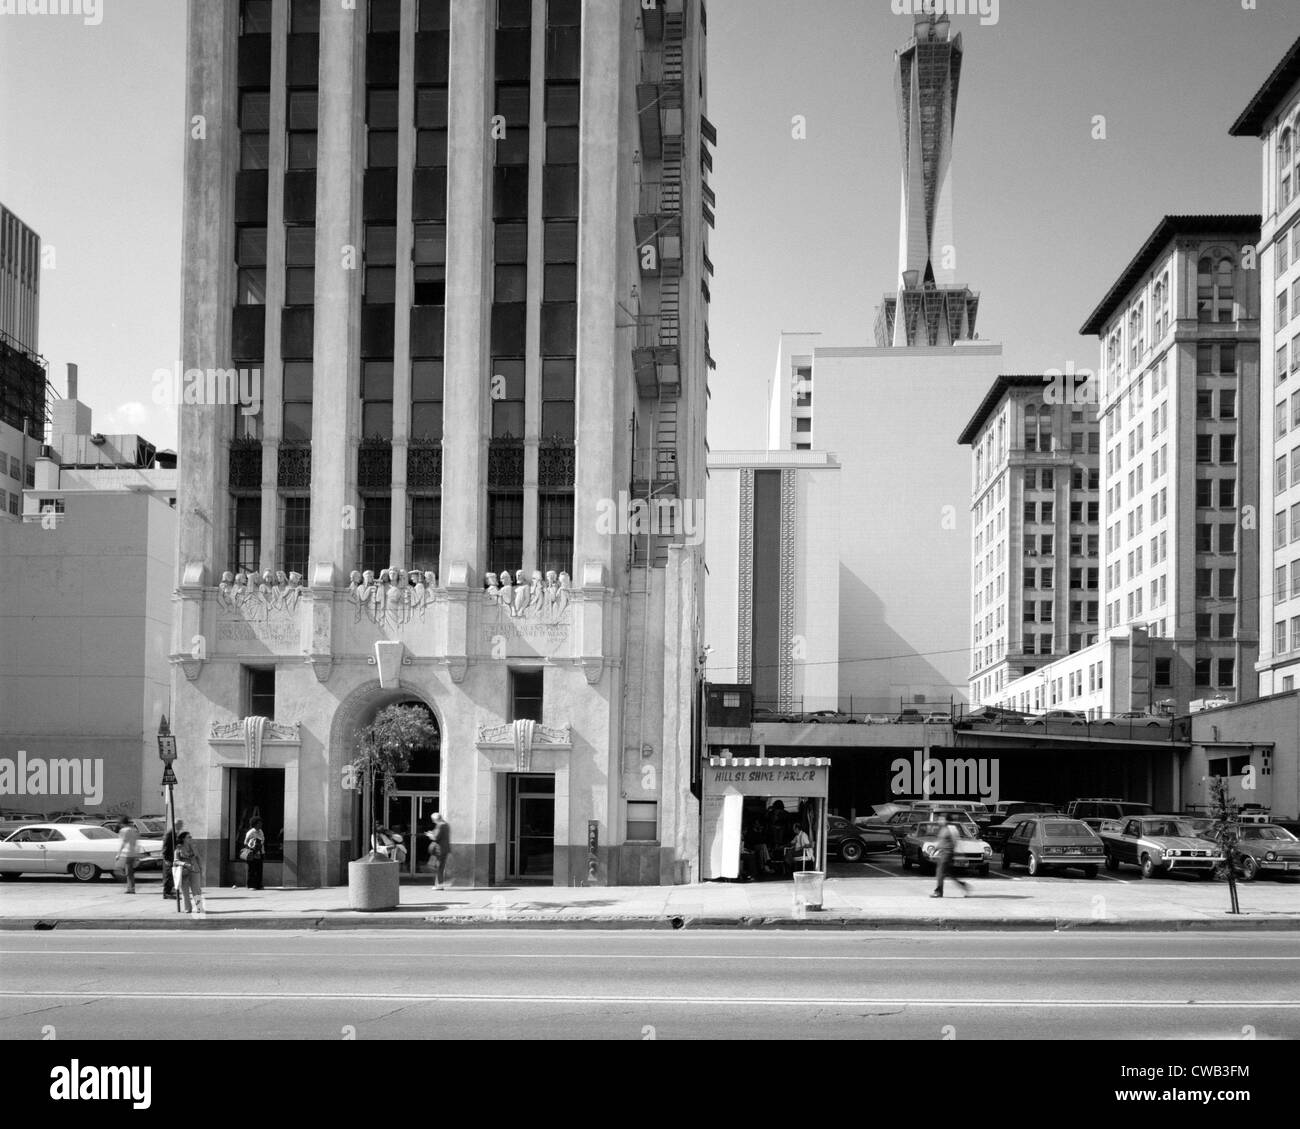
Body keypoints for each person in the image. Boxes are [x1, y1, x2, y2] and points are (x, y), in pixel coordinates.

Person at [931, 813, 970, 898]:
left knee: (940, 872)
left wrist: (956, 852)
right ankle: (963, 885)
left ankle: (938, 891)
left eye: (941, 819)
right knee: (947, 873)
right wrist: (935, 850)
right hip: (943, 853)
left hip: (948, 853)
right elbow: (941, 841)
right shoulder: (942, 829)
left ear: (946, 820)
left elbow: (956, 841)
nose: (939, 821)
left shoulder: (951, 829)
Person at [174, 831, 205, 916]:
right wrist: (184, 864)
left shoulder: (194, 847)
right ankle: (188, 908)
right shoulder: (178, 848)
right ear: (183, 839)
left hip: (195, 870)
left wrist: (201, 869)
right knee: (185, 891)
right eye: (189, 837)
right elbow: (176, 861)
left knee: (197, 890)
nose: (191, 838)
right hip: (184, 871)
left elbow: (198, 858)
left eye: (191, 837)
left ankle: (199, 907)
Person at [115, 819, 141, 894]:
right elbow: (137, 842)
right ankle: (130, 888)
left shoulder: (124, 830)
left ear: (122, 823)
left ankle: (131, 889)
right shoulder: (134, 830)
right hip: (133, 852)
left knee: (128, 872)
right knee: (129, 872)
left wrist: (118, 854)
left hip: (127, 853)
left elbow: (123, 842)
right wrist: (137, 854)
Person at [426, 811, 451, 888]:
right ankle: (439, 884)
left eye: (433, 819)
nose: (432, 821)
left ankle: (440, 884)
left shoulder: (440, 825)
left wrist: (430, 835)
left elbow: (436, 837)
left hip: (439, 849)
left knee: (436, 866)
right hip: (444, 849)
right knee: (439, 866)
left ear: (435, 819)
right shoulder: (446, 825)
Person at [162, 819, 184, 899]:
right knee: (169, 875)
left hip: (173, 857)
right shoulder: (170, 833)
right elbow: (165, 846)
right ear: (175, 824)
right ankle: (166, 893)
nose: (182, 826)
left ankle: (170, 891)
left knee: (173, 874)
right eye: (180, 824)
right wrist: (166, 858)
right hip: (169, 857)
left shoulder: (175, 833)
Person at [243, 817, 266, 890]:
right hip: (252, 853)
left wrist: (262, 851)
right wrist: (252, 848)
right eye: (259, 823)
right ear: (255, 824)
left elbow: (263, 841)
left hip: (260, 852)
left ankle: (259, 885)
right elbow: (245, 842)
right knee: (252, 870)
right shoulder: (251, 832)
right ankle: (251, 885)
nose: (261, 825)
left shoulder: (261, 831)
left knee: (259, 869)